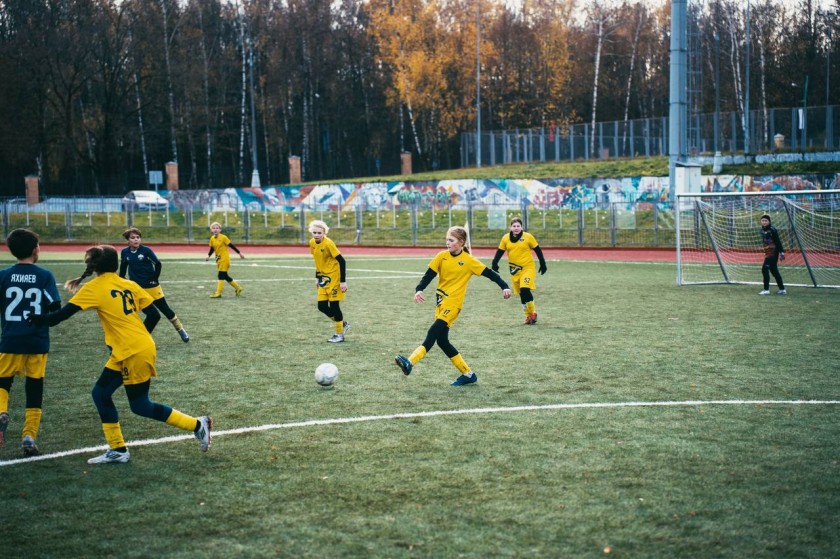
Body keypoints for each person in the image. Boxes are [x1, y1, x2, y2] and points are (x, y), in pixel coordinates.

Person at [30, 245, 212, 464]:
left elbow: (57, 318)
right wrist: (136, 339)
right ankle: (117, 449)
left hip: (132, 351)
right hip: (132, 349)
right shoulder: (128, 284)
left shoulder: (94, 287)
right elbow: (153, 315)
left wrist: (31, 317)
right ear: (116, 264)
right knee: (100, 394)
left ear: (93, 266)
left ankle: (198, 425)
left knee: (140, 405)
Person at [394, 226, 512, 386]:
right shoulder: (441, 256)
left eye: (451, 240)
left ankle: (410, 362)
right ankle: (468, 374)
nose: (447, 243)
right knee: (442, 341)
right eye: (447, 240)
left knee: (433, 332)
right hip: (440, 302)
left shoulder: (469, 261)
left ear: (461, 242)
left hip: (453, 304)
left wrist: (504, 286)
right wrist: (419, 289)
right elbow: (429, 275)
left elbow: (490, 273)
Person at [0, 229, 61, 456]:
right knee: (34, 388)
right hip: (37, 341)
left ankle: (1, 411)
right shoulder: (44, 275)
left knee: (2, 382)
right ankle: (29, 436)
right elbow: (55, 307)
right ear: (36, 249)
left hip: (10, 339)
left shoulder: (3, 275)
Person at [119, 227, 189, 342]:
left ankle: (180, 329)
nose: (136, 240)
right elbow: (123, 267)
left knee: (166, 310)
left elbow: (158, 264)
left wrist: (154, 279)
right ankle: (140, 337)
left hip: (152, 288)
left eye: (138, 237)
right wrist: (122, 280)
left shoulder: (146, 250)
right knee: (141, 314)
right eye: (132, 238)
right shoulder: (125, 252)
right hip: (137, 289)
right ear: (128, 240)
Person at [490, 217, 547, 324]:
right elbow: (500, 251)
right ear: (510, 227)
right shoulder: (505, 238)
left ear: (522, 227)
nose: (516, 228)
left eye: (518, 226)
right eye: (514, 226)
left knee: (525, 289)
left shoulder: (528, 237)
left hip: (527, 268)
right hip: (514, 270)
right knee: (521, 293)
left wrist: (543, 264)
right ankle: (528, 316)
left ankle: (533, 313)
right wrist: (495, 263)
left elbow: (538, 250)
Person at [308, 220, 350, 343]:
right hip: (323, 278)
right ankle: (343, 324)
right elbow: (317, 261)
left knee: (334, 306)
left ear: (324, 233)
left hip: (334, 278)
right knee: (321, 306)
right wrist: (317, 277)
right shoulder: (312, 243)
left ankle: (339, 334)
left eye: (319, 233)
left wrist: (343, 281)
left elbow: (342, 261)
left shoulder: (328, 244)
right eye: (314, 232)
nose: (316, 235)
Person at [205, 222, 245, 298]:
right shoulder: (212, 238)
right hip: (218, 259)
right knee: (225, 276)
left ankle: (218, 293)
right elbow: (212, 248)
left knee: (220, 275)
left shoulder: (223, 237)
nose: (215, 229)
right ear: (211, 230)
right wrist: (208, 256)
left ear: (220, 230)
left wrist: (239, 253)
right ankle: (238, 288)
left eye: (217, 228)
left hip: (224, 259)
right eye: (213, 228)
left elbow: (231, 246)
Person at [759, 214, 786, 295]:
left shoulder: (772, 230)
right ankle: (782, 289)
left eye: (766, 221)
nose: (764, 222)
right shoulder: (762, 230)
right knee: (774, 270)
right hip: (768, 252)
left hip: (773, 252)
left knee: (764, 269)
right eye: (763, 220)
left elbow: (777, 241)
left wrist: (781, 252)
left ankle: (766, 290)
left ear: (769, 221)